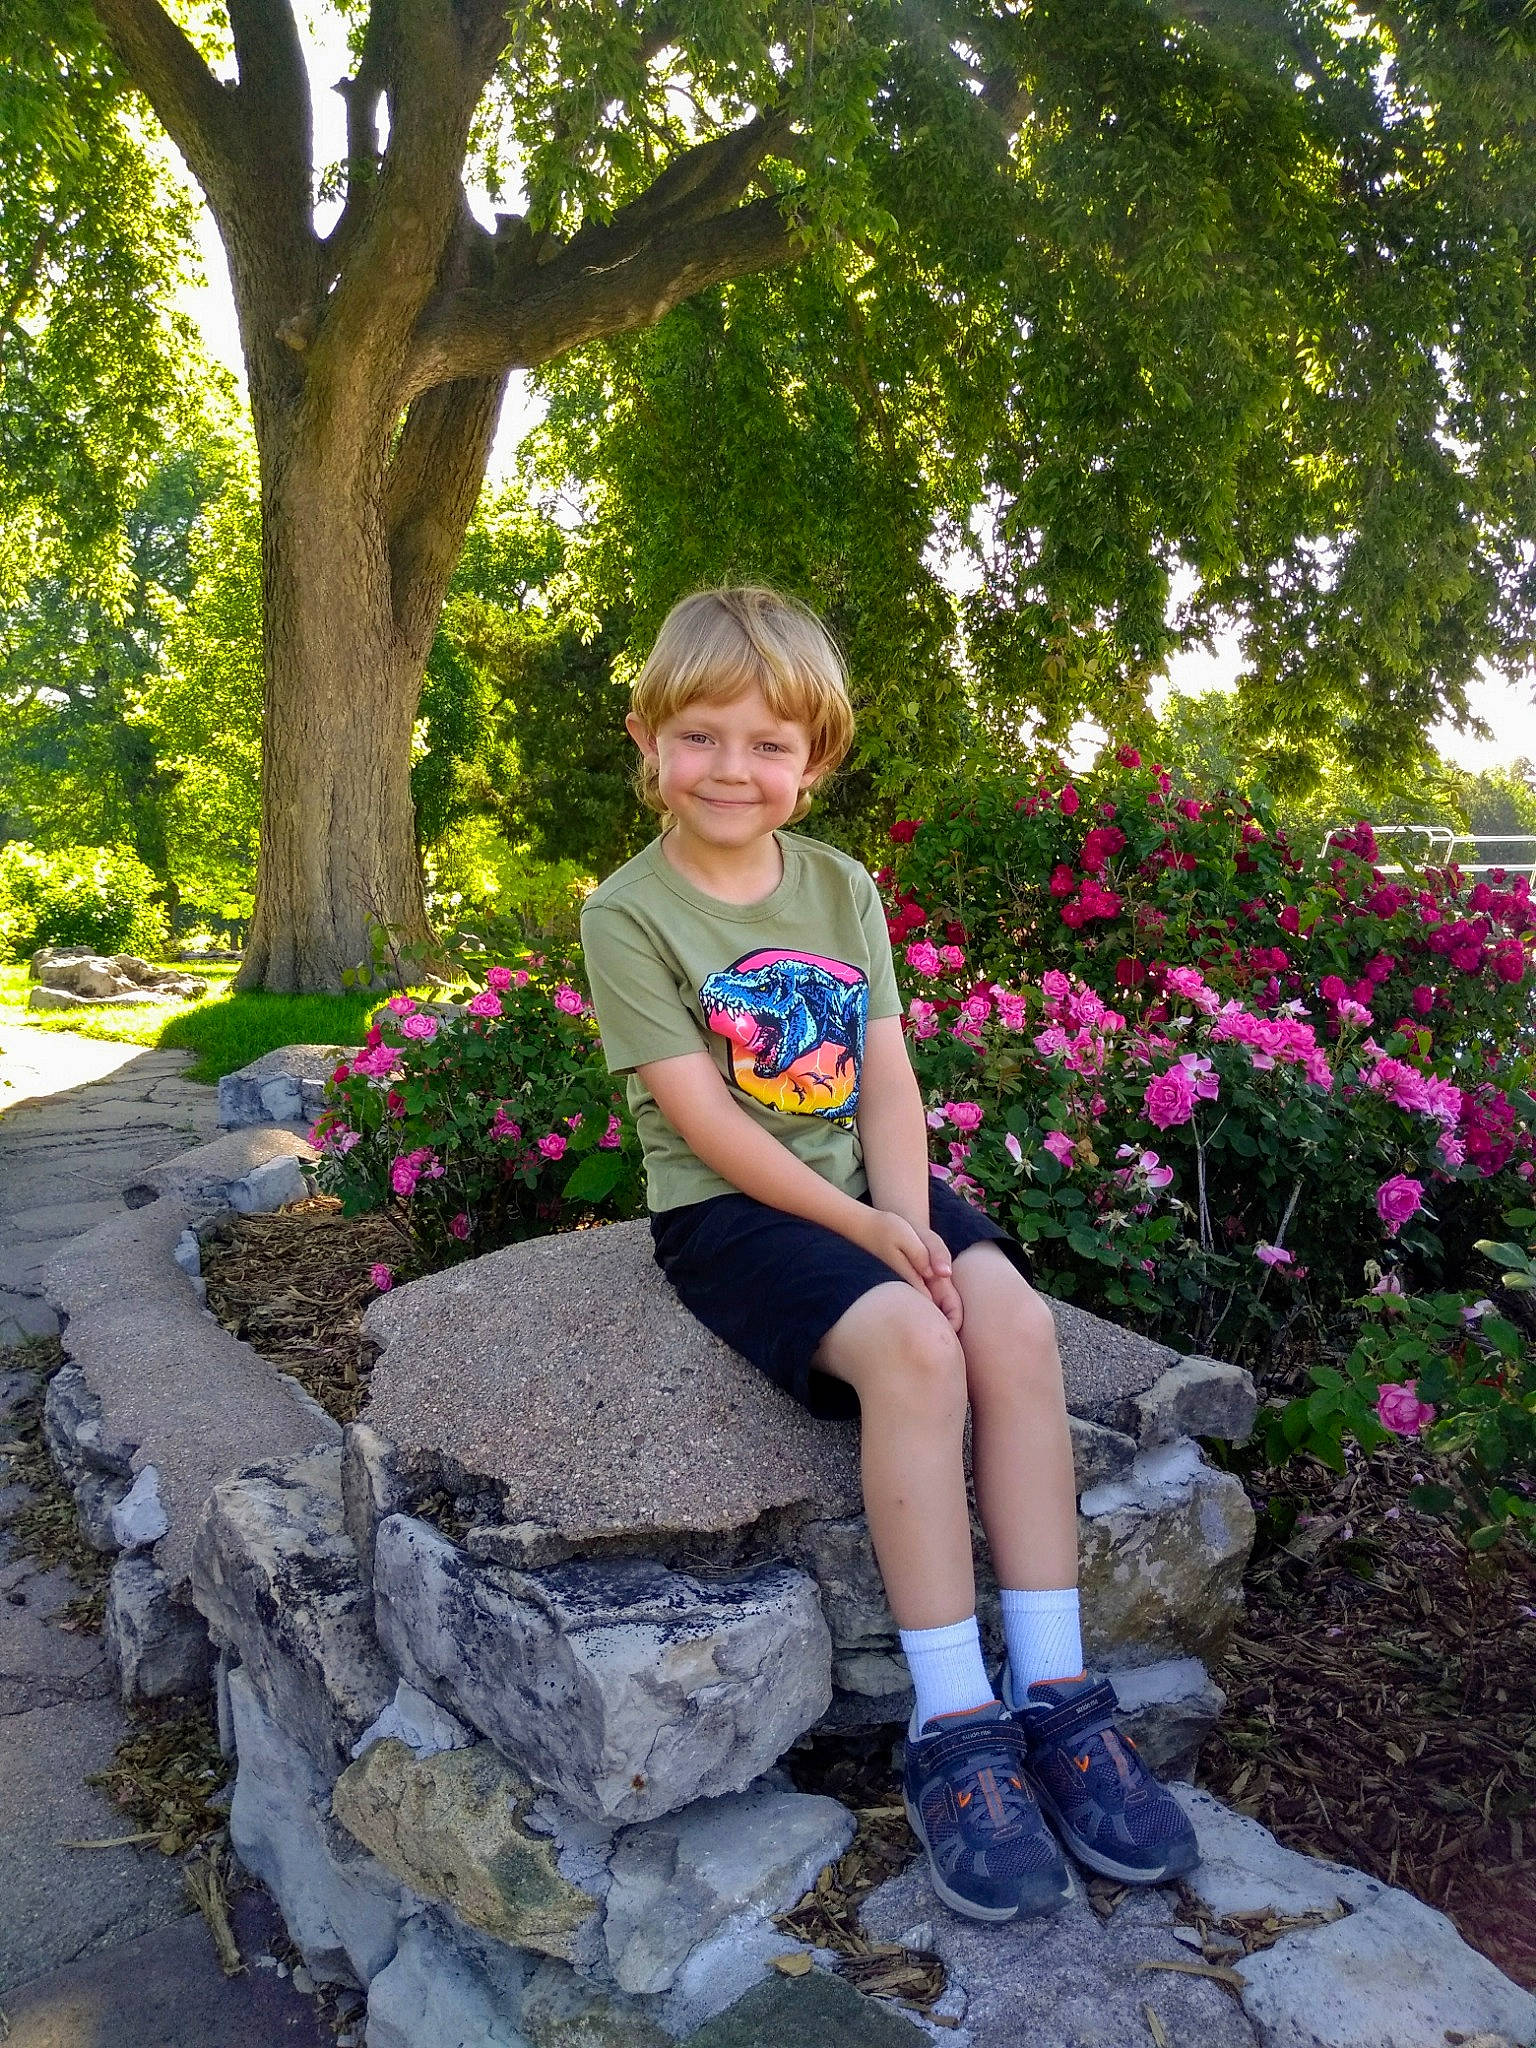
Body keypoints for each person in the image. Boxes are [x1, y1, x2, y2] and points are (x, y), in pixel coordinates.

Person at [579, 585, 1199, 1923]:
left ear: (814, 759)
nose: (731, 769)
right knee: (917, 1350)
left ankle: (1054, 1692)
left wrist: (908, 1220)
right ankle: (955, 1722)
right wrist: (867, 1240)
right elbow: (702, 1119)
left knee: (1011, 1323)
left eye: (768, 744)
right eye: (700, 737)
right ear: (647, 739)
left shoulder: (838, 887)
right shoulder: (629, 913)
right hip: (732, 1212)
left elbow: (886, 1074)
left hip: (876, 1188)